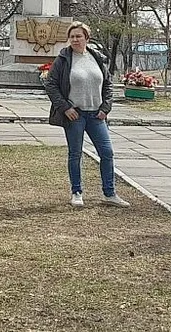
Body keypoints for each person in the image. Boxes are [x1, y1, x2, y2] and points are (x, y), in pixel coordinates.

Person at [46, 21, 130, 208]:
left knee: (107, 153)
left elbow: (108, 84)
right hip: (75, 115)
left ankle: (110, 194)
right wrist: (65, 107)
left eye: (79, 36)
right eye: (72, 36)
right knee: (75, 154)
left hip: (96, 116)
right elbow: (51, 84)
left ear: (87, 38)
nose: (75, 39)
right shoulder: (63, 59)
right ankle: (76, 192)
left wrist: (105, 107)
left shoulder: (96, 58)